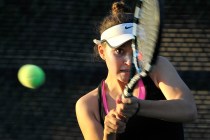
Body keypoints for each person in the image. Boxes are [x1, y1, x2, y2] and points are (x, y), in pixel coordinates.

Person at [75, 1, 197, 140]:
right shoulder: (87, 106)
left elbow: (189, 110)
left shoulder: (158, 67)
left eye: (136, 49)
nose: (130, 61)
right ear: (102, 51)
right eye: (119, 51)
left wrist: (139, 106)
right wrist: (108, 133)